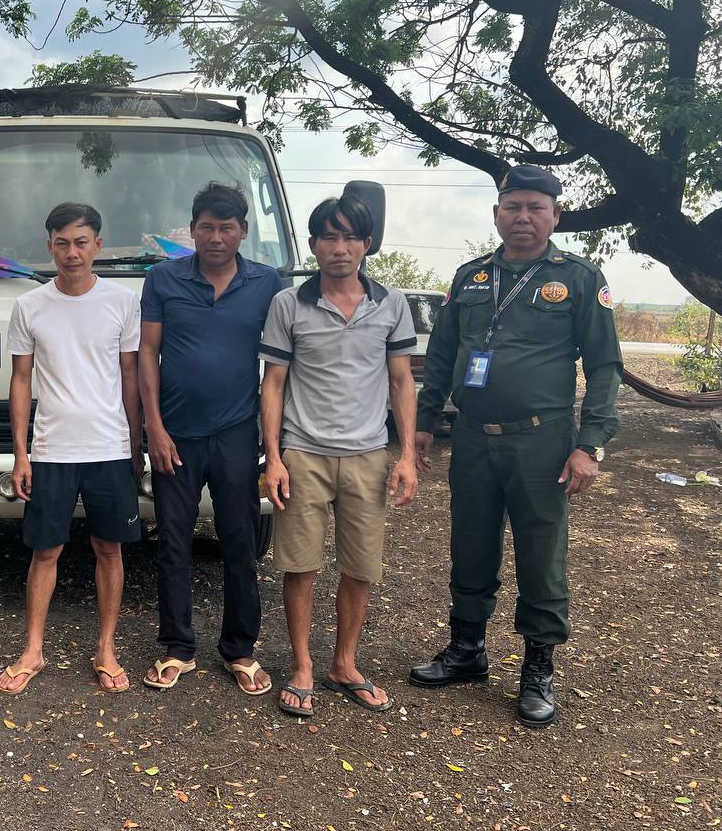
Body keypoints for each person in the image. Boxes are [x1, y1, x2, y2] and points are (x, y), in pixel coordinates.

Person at [409, 164, 622, 728]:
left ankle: (537, 668)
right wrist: (425, 420)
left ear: (555, 215)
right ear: (496, 213)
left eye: (535, 207)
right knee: (470, 543)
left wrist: (590, 443)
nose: (523, 217)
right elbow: (442, 353)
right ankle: (467, 650)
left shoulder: (578, 278)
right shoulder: (471, 276)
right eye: (513, 207)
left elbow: (605, 366)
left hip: (542, 440)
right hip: (474, 437)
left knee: (540, 554)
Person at [259, 195, 419, 718]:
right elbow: (273, 383)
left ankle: (344, 664)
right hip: (303, 454)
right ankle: (303, 666)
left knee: (361, 567)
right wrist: (274, 457)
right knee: (299, 565)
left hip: (368, 455)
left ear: (367, 244)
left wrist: (406, 456)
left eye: (350, 237)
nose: (340, 247)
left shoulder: (391, 304)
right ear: (313, 244)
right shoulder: (288, 304)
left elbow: (401, 381)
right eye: (329, 237)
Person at [138, 182, 283, 695]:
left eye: (226, 228)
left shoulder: (267, 283)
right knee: (173, 543)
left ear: (243, 231)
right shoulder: (163, 279)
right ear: (192, 230)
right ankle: (177, 648)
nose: (216, 237)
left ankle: (240, 650)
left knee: (240, 542)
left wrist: (274, 438)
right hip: (175, 436)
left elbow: (280, 362)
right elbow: (147, 354)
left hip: (238, 433)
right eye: (206, 227)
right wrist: (154, 428)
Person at [0, 203, 143, 695]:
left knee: (109, 548)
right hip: (51, 449)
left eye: (81, 242)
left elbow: (129, 375)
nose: (72, 253)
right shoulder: (30, 306)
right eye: (62, 243)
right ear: (50, 246)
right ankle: (33, 649)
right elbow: (20, 380)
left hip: (108, 447)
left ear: (98, 245)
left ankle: (106, 648)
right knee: (45, 551)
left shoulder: (122, 301)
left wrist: (134, 442)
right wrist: (21, 453)